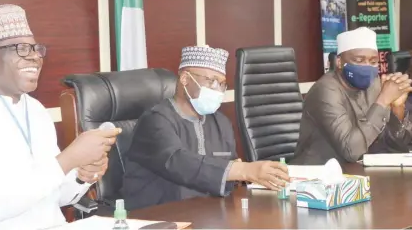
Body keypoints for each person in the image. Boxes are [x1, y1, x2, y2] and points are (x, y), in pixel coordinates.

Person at [0, 4, 121, 230]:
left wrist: (82, 175)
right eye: (21, 49)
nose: (34, 58)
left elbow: (58, 198)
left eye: (35, 49)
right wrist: (68, 160)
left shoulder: (36, 109)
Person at [122, 45, 290, 210]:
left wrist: (242, 175)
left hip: (208, 215)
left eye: (222, 84)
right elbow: (179, 163)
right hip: (157, 218)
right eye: (211, 81)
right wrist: (243, 170)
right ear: (185, 79)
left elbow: (228, 176)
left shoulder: (221, 123)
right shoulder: (155, 121)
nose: (217, 90)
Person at [292, 27, 412, 165]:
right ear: (339, 62)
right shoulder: (326, 91)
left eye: (373, 62)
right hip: (316, 176)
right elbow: (351, 151)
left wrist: (398, 108)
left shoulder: (374, 85)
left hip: (358, 173)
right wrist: (383, 100)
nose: (367, 67)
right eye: (359, 60)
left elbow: (398, 147)